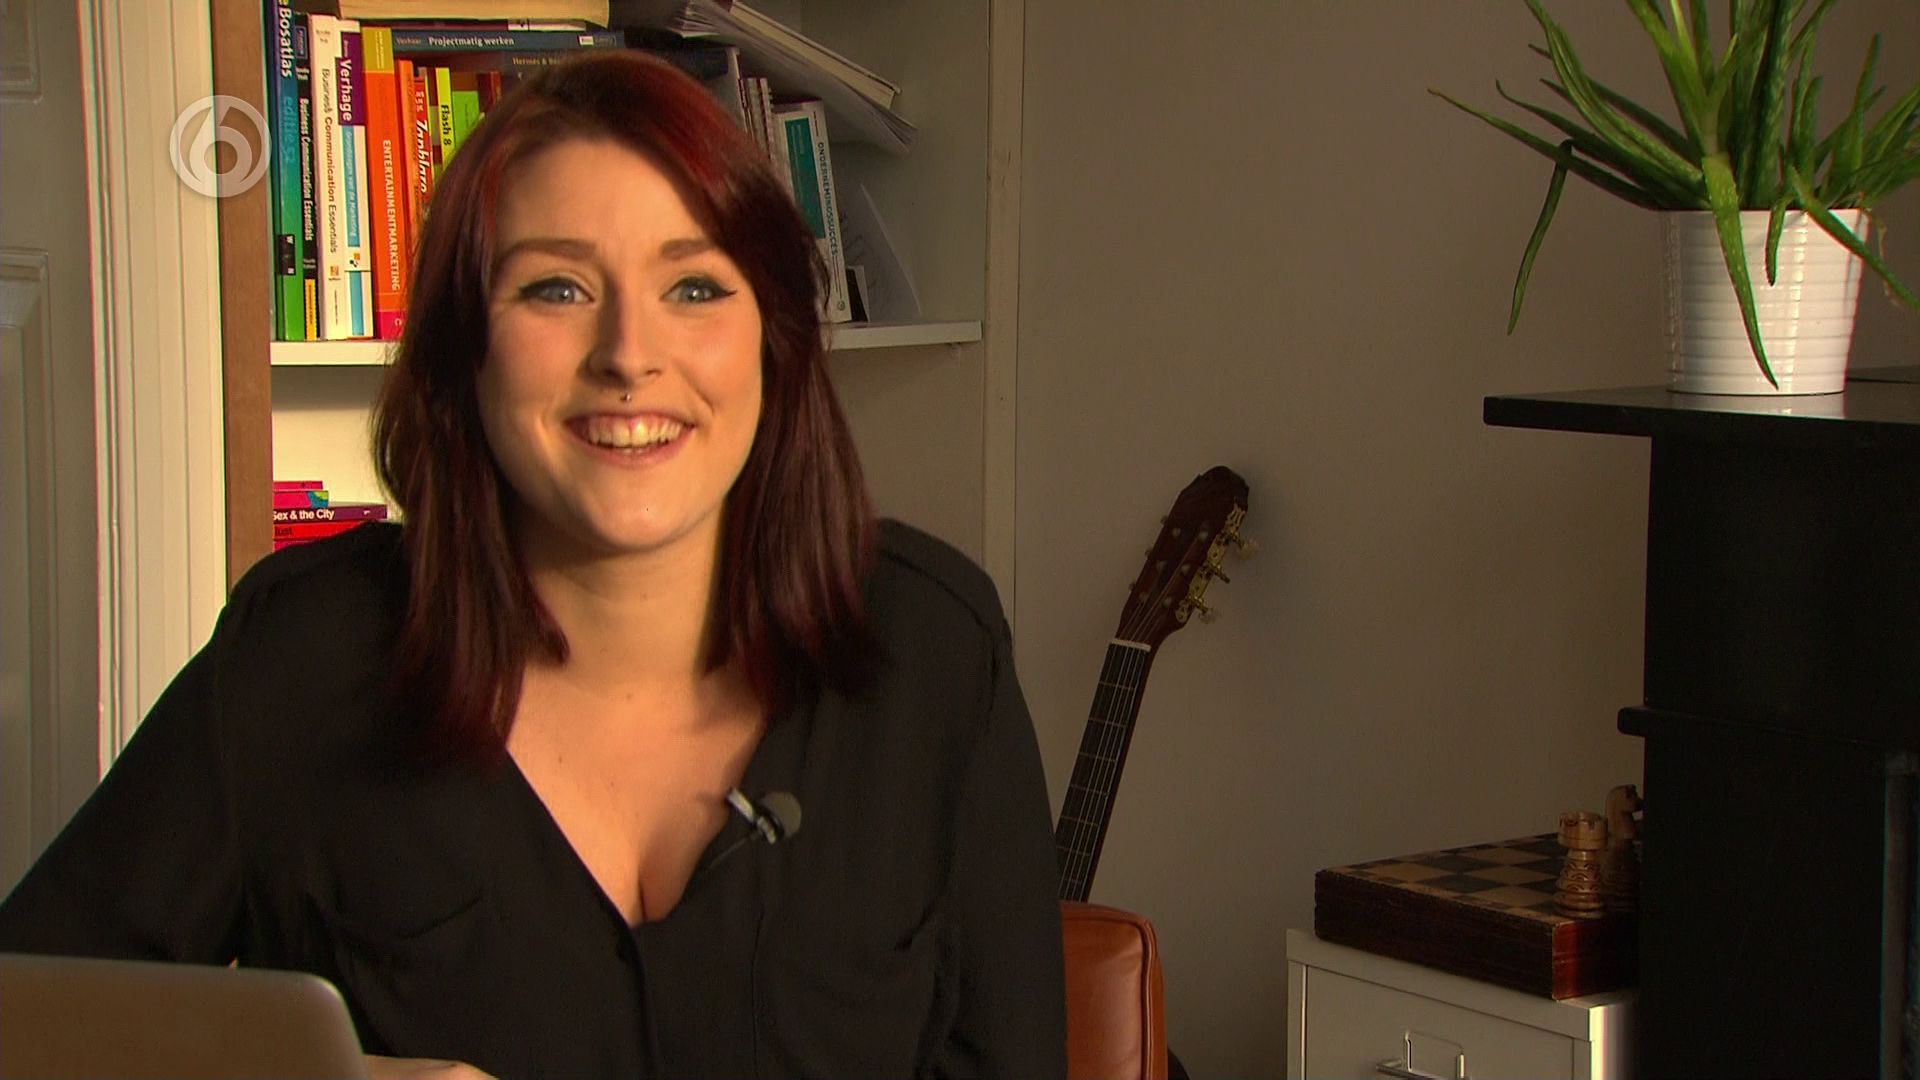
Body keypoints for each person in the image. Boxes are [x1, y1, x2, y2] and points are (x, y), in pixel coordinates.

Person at [0, 51, 1066, 1079]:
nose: (629, 355)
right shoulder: (302, 660)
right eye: (556, 289)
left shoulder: (933, 649)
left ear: (774, 339)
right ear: (465, 347)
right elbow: (29, 1035)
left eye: (694, 288)